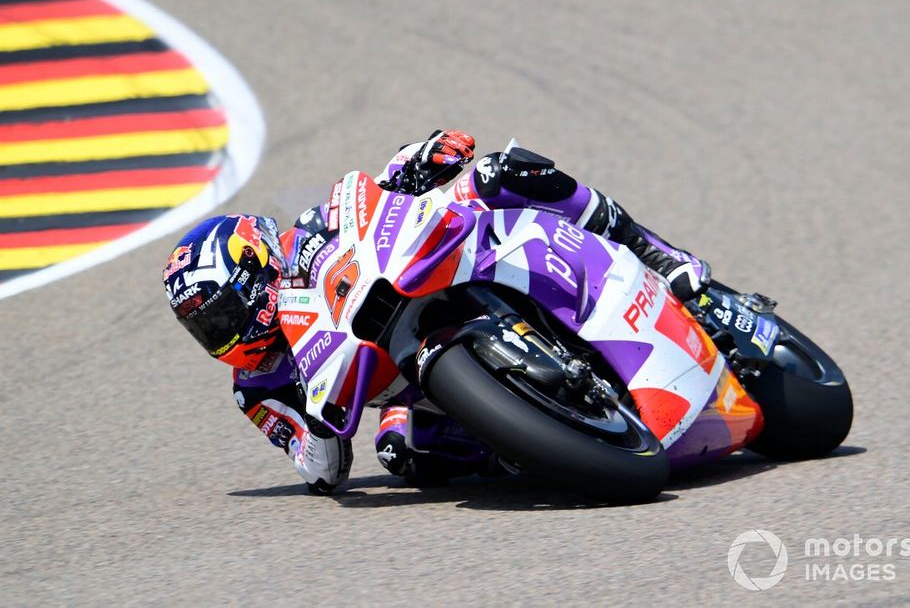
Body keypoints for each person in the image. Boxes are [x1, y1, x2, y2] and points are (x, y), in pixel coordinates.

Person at [162, 130, 711, 494]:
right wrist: (315, 422)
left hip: (428, 269)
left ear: (254, 272)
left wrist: (419, 158)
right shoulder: (255, 388)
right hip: (412, 391)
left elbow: (368, 199)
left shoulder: (301, 233)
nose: (221, 333)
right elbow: (319, 470)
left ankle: (646, 248)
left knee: (500, 173)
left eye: (220, 313)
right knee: (405, 454)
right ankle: (539, 443)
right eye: (203, 328)